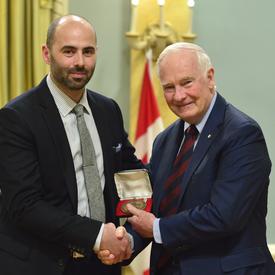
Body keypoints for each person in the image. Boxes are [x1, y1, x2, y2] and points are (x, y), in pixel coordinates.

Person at [98, 42, 275, 274]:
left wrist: (157, 228)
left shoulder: (242, 134)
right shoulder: (165, 140)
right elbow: (154, 208)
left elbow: (224, 216)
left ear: (210, 77)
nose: (179, 96)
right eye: (169, 87)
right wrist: (126, 243)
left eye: (187, 83)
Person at [0, 15, 141, 275]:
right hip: (43, 265)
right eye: (69, 51)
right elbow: (25, 205)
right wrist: (98, 234)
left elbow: (132, 176)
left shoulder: (108, 110)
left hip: (103, 263)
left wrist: (130, 237)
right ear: (46, 53)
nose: (79, 62)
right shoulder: (17, 117)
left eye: (88, 52)